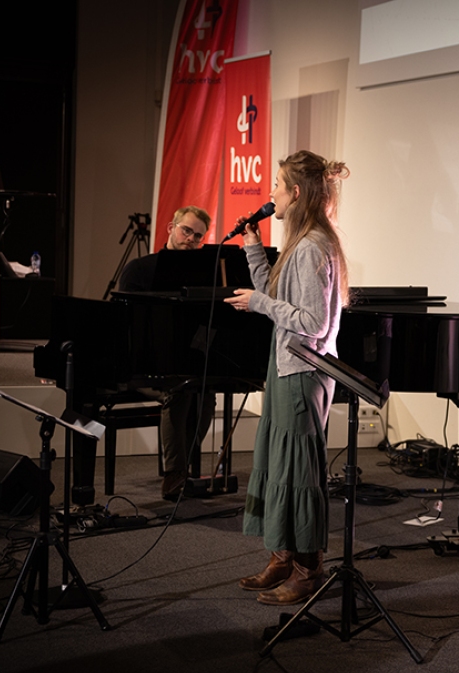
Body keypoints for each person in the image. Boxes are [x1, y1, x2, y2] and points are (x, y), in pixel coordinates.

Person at [224, 150, 349, 606]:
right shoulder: (301, 242)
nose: (271, 192)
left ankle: (307, 569)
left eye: (277, 184)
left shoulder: (314, 245)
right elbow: (275, 294)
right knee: (279, 468)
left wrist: (258, 304)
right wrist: (254, 247)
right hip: (284, 367)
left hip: (302, 372)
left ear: (296, 193)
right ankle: (282, 556)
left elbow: (312, 322)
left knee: (299, 473)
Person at [118, 205, 217, 501]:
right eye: (186, 230)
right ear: (170, 228)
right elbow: (128, 324)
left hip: (183, 360)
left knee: (207, 392)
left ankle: (182, 464)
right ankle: (175, 474)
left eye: (198, 236)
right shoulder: (139, 268)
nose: (191, 239)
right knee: (181, 389)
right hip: (142, 362)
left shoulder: (202, 276)